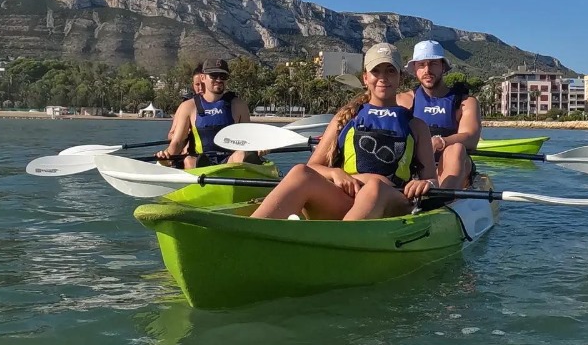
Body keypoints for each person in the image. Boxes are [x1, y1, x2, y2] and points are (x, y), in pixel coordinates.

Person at [250, 43, 436, 221]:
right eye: (376, 71)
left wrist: (424, 183)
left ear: (400, 77)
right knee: (300, 172)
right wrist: (334, 174)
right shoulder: (346, 118)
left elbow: (432, 181)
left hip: (392, 199)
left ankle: (341, 242)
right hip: (348, 197)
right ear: (365, 78)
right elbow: (313, 167)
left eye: (390, 71)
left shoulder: (416, 126)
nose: (383, 77)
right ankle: (252, 229)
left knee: (375, 187)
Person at [397, 39, 480, 190]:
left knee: (456, 149)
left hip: (454, 163)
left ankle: (441, 197)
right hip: (417, 167)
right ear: (415, 69)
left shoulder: (465, 102)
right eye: (421, 64)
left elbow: (471, 138)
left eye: (433, 63)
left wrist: (441, 142)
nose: (427, 70)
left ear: (443, 67)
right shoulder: (403, 100)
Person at [158, 59, 253, 168]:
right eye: (213, 76)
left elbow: (248, 139)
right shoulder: (189, 106)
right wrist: (167, 157)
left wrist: (260, 148)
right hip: (200, 161)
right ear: (203, 78)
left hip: (229, 161)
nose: (219, 80)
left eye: (223, 76)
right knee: (189, 160)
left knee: (241, 154)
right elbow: (178, 142)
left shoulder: (239, 105)